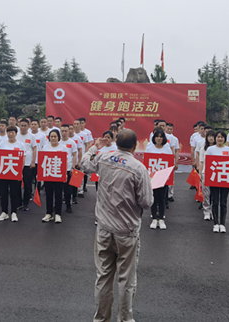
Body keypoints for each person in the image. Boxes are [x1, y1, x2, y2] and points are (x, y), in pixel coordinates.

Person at [80, 129, 153, 322]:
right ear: (135, 146)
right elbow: (146, 202)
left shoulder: (104, 158)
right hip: (126, 231)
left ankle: (101, 319)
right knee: (126, 279)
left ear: (116, 143)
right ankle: (125, 319)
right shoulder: (138, 168)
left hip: (104, 228)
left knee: (103, 276)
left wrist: (95, 147)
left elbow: (84, 163)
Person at [204, 131, 229, 233]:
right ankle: (216, 223)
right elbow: (207, 164)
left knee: (223, 202)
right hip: (214, 178)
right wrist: (206, 177)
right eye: (218, 137)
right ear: (215, 138)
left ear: (225, 139)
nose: (220, 139)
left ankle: (223, 223)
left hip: (225, 178)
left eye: (222, 137)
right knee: (215, 201)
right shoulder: (210, 149)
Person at [0, 125, 26, 222]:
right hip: (4, 172)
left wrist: (20, 171)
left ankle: (14, 212)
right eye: (9, 132)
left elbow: (23, 159)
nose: (10, 134)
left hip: (15, 173)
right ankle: (4, 212)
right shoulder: (2, 144)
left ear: (16, 134)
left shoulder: (20, 145)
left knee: (14, 193)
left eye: (12, 132)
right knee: (3, 193)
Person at [146, 129, 173, 229]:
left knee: (162, 198)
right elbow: (146, 163)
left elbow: (170, 164)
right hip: (153, 177)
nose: (159, 138)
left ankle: (161, 219)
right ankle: (154, 218)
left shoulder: (167, 149)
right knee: (153, 198)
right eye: (157, 136)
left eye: (161, 137)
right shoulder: (150, 148)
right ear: (154, 138)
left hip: (163, 177)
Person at [41, 129, 68, 223]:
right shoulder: (45, 147)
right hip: (48, 174)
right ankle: (48, 213)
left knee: (58, 195)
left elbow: (65, 162)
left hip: (58, 175)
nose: (53, 138)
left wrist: (65, 174)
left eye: (55, 136)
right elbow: (42, 161)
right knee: (48, 195)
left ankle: (58, 214)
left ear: (58, 137)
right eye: (51, 136)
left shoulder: (63, 148)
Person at [17, 118, 37, 211]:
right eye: (22, 126)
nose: (23, 128)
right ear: (19, 125)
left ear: (28, 126)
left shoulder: (31, 137)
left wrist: (33, 161)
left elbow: (34, 149)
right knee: (17, 184)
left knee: (27, 184)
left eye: (25, 126)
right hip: (17, 163)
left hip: (28, 164)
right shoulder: (16, 135)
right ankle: (18, 202)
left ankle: (26, 203)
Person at [60, 125, 79, 213]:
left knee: (68, 189)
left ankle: (68, 205)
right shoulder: (58, 141)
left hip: (68, 169)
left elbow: (74, 155)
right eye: (62, 131)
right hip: (58, 169)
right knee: (58, 189)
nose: (64, 133)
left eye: (65, 131)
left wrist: (73, 167)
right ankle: (57, 205)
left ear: (68, 132)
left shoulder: (72, 142)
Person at [198, 130, 216, 222]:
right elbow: (201, 162)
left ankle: (213, 211)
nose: (211, 138)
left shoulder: (218, 148)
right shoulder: (203, 149)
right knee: (206, 194)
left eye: (213, 136)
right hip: (206, 173)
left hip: (216, 174)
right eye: (209, 136)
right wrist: (200, 173)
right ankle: (206, 211)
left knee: (214, 194)